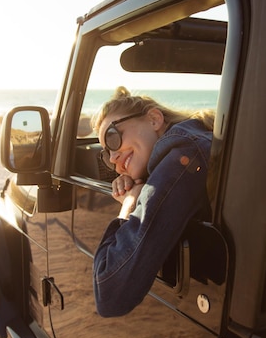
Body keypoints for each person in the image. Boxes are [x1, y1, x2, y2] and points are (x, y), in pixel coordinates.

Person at [91, 86, 214, 317]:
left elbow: (109, 293)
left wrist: (128, 207)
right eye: (106, 154)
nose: (114, 157)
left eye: (113, 137)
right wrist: (141, 181)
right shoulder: (195, 139)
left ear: (154, 119)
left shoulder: (182, 157)